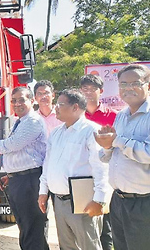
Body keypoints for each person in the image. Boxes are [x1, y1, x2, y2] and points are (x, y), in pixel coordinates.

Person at [38, 89, 111, 250]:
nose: (55, 107)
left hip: (83, 201)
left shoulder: (92, 131)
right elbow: (48, 164)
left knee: (88, 245)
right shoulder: (57, 133)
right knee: (67, 246)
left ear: (75, 107)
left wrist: (99, 200)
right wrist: (43, 191)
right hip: (59, 201)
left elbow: (102, 168)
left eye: (60, 104)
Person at [0, 87, 49, 250]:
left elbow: (13, 145)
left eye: (21, 100)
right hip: (20, 179)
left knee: (32, 227)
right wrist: (10, 176)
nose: (17, 104)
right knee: (24, 225)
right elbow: (20, 153)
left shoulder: (32, 121)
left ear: (32, 101)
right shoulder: (21, 121)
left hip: (31, 180)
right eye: (14, 101)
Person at [95, 64, 150, 250]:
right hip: (119, 200)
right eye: (123, 84)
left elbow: (148, 153)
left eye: (135, 83)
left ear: (147, 85)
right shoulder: (121, 116)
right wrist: (108, 146)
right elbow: (109, 156)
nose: (128, 88)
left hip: (143, 202)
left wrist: (117, 140)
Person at [80, 74, 116, 250]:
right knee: (86, 225)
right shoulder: (76, 116)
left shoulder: (114, 116)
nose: (88, 92)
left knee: (106, 229)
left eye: (92, 89)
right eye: (84, 89)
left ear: (101, 91)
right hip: (83, 178)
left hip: (106, 177)